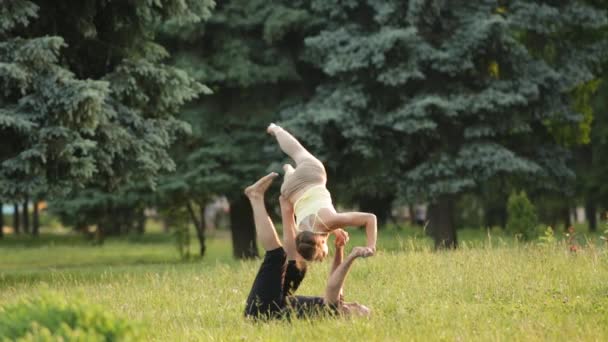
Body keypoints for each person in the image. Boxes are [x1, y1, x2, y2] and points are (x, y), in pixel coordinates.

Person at [243, 172, 372, 319]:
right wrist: (339, 248)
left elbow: (332, 286)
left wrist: (352, 257)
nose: (356, 303)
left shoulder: (332, 310)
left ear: (351, 317)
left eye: (360, 308)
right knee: (297, 267)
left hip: (263, 311)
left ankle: (255, 197)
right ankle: (286, 208)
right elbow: (335, 279)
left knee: (277, 255)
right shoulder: (334, 304)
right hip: (277, 304)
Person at [267, 123, 377, 261]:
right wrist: (335, 230)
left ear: (321, 243)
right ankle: (287, 165)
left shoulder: (330, 221)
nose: (325, 255)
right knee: (295, 156)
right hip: (289, 189)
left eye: (324, 253)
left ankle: (278, 134)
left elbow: (370, 218)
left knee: (298, 152)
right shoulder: (301, 234)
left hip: (311, 176)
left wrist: (371, 246)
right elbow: (317, 225)